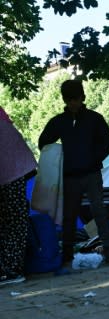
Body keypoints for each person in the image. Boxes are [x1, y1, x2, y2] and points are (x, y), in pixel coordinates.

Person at [38, 79, 109, 265]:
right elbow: (43, 142)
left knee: (99, 210)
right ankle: (67, 253)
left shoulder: (94, 118)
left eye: (75, 99)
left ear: (82, 98)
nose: (72, 103)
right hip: (70, 176)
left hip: (91, 172)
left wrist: (94, 158)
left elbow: (107, 141)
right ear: (64, 100)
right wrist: (60, 159)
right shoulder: (59, 122)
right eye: (69, 100)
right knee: (69, 214)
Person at [0, 107, 37, 285]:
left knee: (11, 219)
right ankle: (10, 270)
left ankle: (8, 270)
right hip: (13, 167)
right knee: (15, 220)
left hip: (11, 165)